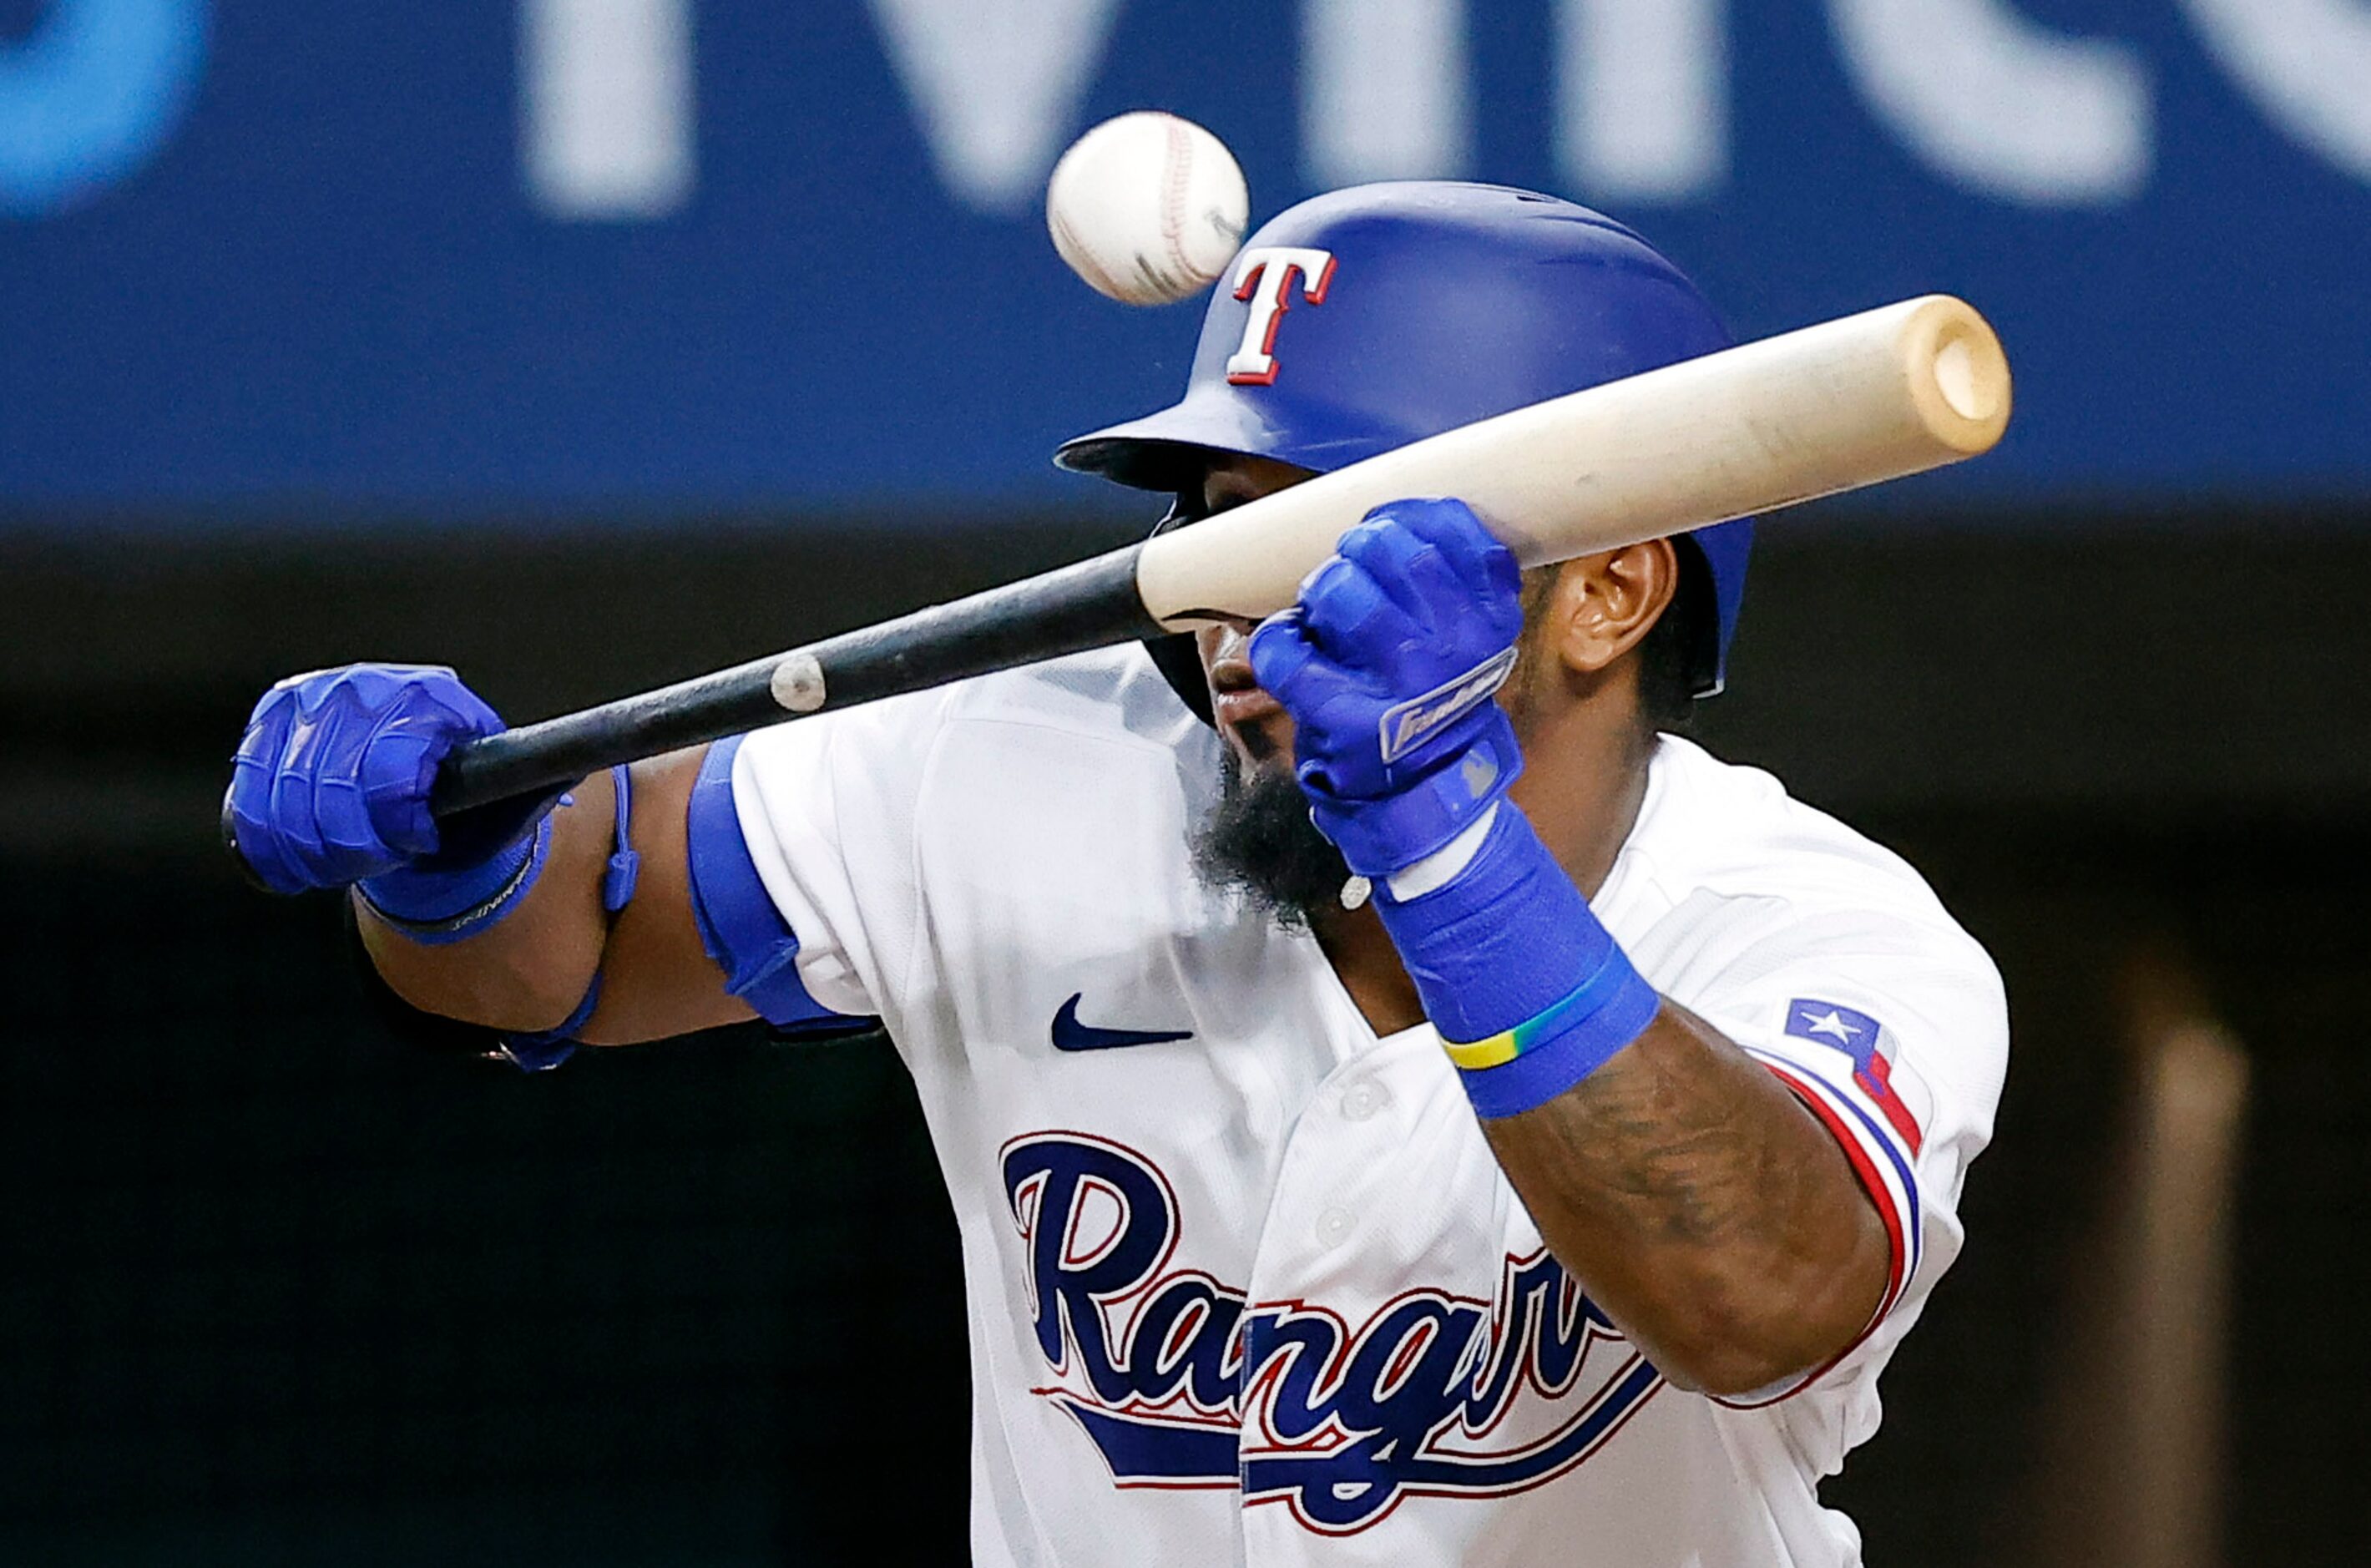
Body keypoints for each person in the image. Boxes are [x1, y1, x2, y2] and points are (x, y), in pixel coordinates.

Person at [227, 182, 2007, 1565]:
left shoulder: (1812, 925)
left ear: (1608, 591)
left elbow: (1754, 1299)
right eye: (1212, 518)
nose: (1237, 594)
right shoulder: (1016, 765)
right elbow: (565, 959)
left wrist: (1441, 845)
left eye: (1326, 523)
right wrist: (449, 870)